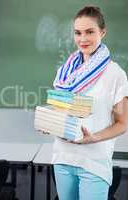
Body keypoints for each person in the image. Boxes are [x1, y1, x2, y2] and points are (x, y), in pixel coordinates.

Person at [51, 6, 128, 200]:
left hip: (94, 161)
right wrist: (50, 123)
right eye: (78, 33)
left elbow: (123, 124)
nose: (82, 39)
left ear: (103, 32)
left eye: (90, 32)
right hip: (63, 157)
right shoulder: (65, 73)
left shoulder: (115, 74)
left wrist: (94, 138)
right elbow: (60, 111)